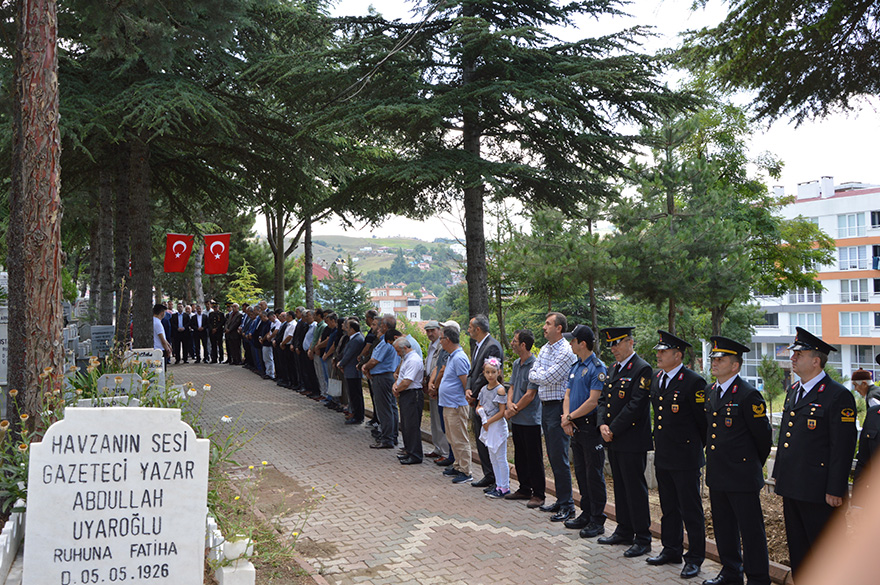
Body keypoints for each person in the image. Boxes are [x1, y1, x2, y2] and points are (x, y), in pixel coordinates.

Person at [772, 327, 857, 577]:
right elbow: (787, 438)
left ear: (816, 361)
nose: (793, 357)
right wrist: (780, 474)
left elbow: (842, 447)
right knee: (798, 550)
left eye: (800, 353)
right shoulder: (794, 391)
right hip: (793, 485)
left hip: (820, 491)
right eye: (793, 353)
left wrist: (835, 488)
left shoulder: (837, 395)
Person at [702, 336, 772, 585]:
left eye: (720, 359)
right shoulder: (711, 391)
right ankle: (731, 572)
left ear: (735, 365)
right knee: (723, 528)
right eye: (714, 358)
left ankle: (757, 578)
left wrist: (749, 464)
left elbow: (763, 439)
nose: (715, 362)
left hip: (742, 476)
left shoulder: (748, 394)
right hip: (718, 473)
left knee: (751, 531)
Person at [646, 330, 707, 578]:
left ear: (677, 355)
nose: (659, 355)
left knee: (690, 509)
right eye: (658, 352)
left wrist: (691, 447)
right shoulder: (657, 378)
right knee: (668, 506)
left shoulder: (694, 382)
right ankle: (671, 549)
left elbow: (703, 423)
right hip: (664, 454)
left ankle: (694, 558)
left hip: (685, 456)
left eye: (663, 352)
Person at [596, 326, 653, 558]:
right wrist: (602, 425)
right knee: (619, 486)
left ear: (630, 342)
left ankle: (643, 537)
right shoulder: (612, 369)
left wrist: (613, 429)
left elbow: (636, 405)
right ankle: (624, 529)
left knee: (635, 489)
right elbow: (602, 400)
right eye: (610, 344)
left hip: (631, 439)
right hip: (613, 438)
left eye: (617, 343)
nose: (613, 349)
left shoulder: (642, 368)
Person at [528, 312, 578, 522]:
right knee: (552, 456)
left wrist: (540, 375)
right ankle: (560, 499)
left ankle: (568, 505)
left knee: (559, 457)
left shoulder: (565, 351)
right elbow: (534, 373)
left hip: (559, 407)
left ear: (559, 328)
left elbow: (548, 377)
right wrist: (540, 375)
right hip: (546, 406)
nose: (544, 327)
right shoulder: (547, 349)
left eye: (548, 324)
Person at [560, 324, 607, 538]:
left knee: (593, 474)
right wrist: (566, 419)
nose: (570, 343)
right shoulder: (576, 366)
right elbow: (567, 395)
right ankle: (586, 513)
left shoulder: (597, 368)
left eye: (573, 340)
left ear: (583, 343)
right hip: (575, 426)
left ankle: (598, 519)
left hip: (589, 426)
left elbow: (593, 401)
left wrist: (570, 417)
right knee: (580, 471)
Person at [504, 329, 545, 508]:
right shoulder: (516, 364)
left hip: (530, 420)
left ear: (523, 345)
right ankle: (524, 488)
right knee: (520, 456)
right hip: (517, 418)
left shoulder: (535, 364)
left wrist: (513, 409)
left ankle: (539, 494)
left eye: (514, 341)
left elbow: (530, 395)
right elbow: (511, 386)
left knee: (534, 457)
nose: (512, 343)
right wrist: (509, 403)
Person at [465, 314, 504, 491]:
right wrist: (468, 389)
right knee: (480, 438)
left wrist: (474, 393)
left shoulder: (492, 346)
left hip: (488, 400)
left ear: (478, 329)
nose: (468, 330)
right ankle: (488, 474)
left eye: (470, 327)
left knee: (490, 440)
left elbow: (487, 375)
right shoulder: (478, 345)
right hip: (477, 397)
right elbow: (473, 372)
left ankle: (496, 479)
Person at [437, 325, 473, 484]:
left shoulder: (459, 358)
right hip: (449, 404)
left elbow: (466, 382)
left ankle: (466, 471)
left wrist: (465, 400)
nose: (440, 341)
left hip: (457, 405)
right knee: (452, 438)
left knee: (460, 438)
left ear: (448, 339)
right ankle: (457, 465)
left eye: (441, 338)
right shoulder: (452, 356)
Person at [362, 315, 400, 449]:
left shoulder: (386, 343)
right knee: (390, 407)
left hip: (382, 377)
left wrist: (365, 367)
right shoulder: (389, 342)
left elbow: (374, 360)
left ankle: (387, 438)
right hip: (386, 376)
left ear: (385, 327)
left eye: (379, 325)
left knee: (384, 409)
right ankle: (392, 435)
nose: (377, 327)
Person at [476, 357, 510, 498]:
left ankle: (505, 487)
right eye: (488, 372)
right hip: (488, 426)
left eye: (493, 372)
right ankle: (498, 484)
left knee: (501, 457)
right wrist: (482, 414)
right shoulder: (484, 389)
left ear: (498, 372)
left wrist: (488, 421)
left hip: (496, 426)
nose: (490, 375)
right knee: (493, 458)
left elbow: (502, 412)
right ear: (484, 373)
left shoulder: (500, 390)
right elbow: (479, 405)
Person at [393, 336, 425, 464]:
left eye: (398, 351)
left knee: (412, 425)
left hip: (412, 394)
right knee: (406, 425)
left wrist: (397, 389)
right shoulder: (406, 358)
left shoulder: (414, 360)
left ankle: (415, 454)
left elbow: (407, 381)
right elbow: (401, 377)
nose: (397, 354)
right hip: (406, 393)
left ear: (405, 348)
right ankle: (409, 451)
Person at [423, 321, 450, 461]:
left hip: (439, 386)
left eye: (432, 330)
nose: (430, 333)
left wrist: (434, 384)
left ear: (439, 331)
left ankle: (444, 451)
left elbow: (440, 368)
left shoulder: (442, 346)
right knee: (434, 418)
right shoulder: (431, 346)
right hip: (431, 384)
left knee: (441, 420)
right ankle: (438, 448)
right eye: (427, 331)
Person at [338, 319, 366, 424]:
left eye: (348, 327)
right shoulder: (353, 338)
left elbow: (349, 354)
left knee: (355, 394)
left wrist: (341, 363)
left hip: (353, 371)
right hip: (350, 370)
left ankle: (358, 416)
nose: (347, 330)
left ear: (353, 329)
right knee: (353, 394)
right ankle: (355, 413)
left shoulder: (357, 339)